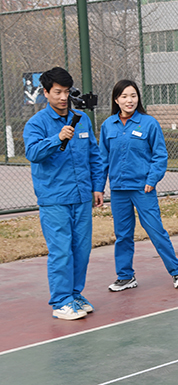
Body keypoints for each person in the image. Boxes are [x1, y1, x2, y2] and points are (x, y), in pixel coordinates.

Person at [23, 67, 104, 320]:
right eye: (57, 92)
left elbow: (95, 156)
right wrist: (57, 138)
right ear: (45, 93)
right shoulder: (36, 123)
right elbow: (32, 153)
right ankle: (60, 302)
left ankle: (74, 294)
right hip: (55, 199)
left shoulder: (82, 119)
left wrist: (97, 187)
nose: (62, 97)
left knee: (81, 250)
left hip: (82, 198)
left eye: (66, 92)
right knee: (61, 251)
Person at [99, 80, 178, 291]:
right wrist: (98, 187)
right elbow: (102, 160)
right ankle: (125, 276)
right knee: (123, 234)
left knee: (155, 230)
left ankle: (176, 271)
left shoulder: (148, 123)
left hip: (143, 189)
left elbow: (160, 155)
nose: (129, 100)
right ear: (116, 100)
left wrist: (151, 180)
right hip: (119, 190)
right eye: (124, 96)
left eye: (133, 96)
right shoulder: (107, 125)